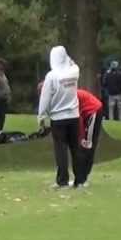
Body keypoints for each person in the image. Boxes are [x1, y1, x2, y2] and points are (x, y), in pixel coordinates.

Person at [37, 45, 82, 188]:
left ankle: (62, 181)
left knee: (61, 150)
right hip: (74, 116)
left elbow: (45, 98)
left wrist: (41, 116)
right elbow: (73, 63)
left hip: (58, 118)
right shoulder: (74, 72)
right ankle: (80, 179)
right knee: (75, 148)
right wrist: (68, 58)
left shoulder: (51, 76)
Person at [74, 87, 104, 188]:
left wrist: (82, 137)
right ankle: (81, 178)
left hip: (93, 111)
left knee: (88, 145)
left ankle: (83, 179)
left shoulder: (71, 97)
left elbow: (79, 118)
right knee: (85, 145)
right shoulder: (65, 95)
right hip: (87, 112)